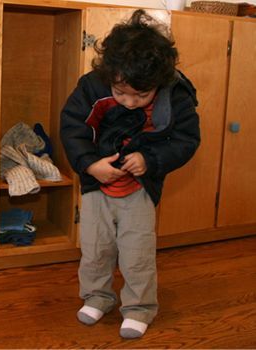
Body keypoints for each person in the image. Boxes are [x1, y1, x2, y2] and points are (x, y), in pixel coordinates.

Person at [60, 9, 200, 339]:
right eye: (122, 93)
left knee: (137, 251)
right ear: (110, 74)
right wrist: (90, 164)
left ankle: (139, 308)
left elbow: (186, 140)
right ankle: (97, 297)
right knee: (95, 248)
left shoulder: (176, 95)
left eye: (142, 95)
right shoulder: (91, 86)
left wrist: (149, 159)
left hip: (139, 188)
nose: (131, 102)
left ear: (160, 83)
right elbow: (72, 128)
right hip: (97, 185)